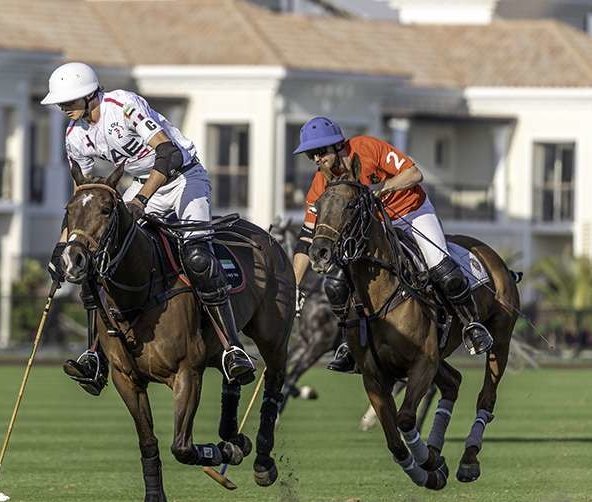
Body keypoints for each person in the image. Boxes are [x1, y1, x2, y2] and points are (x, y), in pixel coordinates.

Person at [41, 62, 256, 395]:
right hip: (142, 185)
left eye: (68, 101)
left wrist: (140, 200)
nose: (63, 108)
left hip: (184, 178)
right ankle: (95, 355)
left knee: (198, 256)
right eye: (61, 103)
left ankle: (231, 347)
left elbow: (167, 154)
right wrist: (64, 244)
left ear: (88, 95)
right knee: (100, 260)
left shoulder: (122, 105)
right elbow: (81, 197)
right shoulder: (75, 136)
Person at [290, 116, 493, 373]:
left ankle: (472, 325)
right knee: (338, 283)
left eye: (319, 153)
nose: (317, 160)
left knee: (441, 267)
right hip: (378, 229)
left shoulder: (367, 148)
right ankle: (347, 343)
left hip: (413, 213)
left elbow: (414, 173)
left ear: (336, 146)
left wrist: (380, 189)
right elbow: (307, 236)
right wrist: (294, 284)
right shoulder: (321, 183)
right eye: (311, 156)